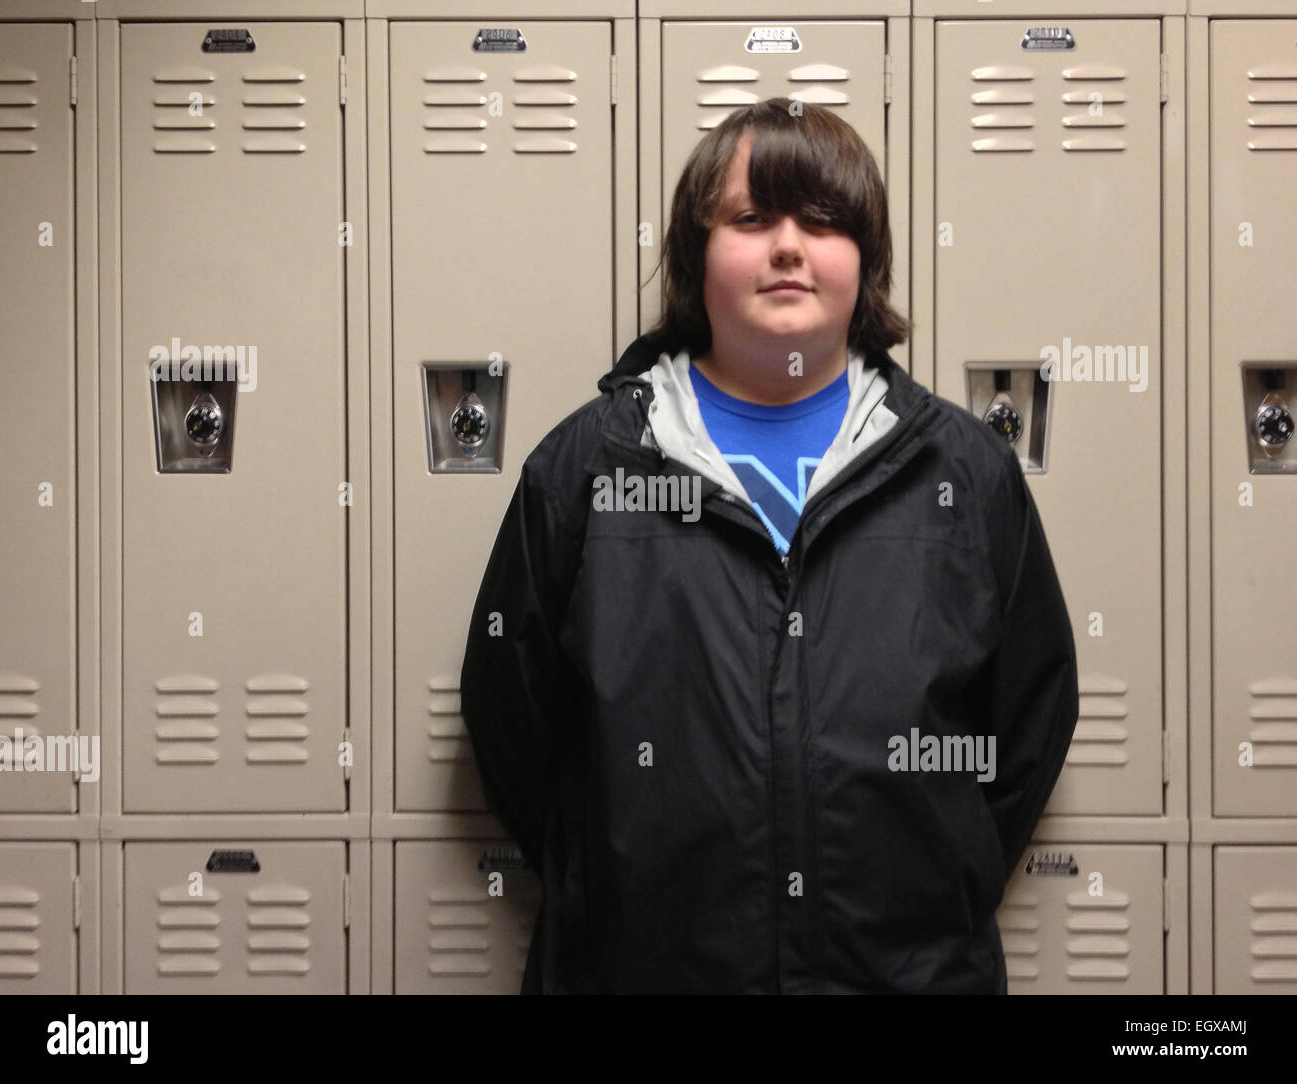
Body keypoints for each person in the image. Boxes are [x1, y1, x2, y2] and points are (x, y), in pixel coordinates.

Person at [460, 98, 1079, 994]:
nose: (789, 246)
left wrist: (941, 875)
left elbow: (1030, 715)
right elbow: (509, 711)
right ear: (694, 257)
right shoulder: (588, 468)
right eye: (751, 219)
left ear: (864, 261)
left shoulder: (964, 473)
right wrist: (605, 872)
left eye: (822, 221)